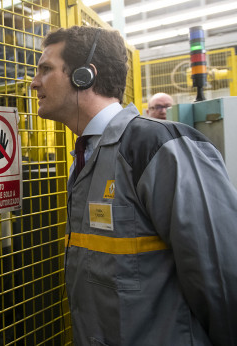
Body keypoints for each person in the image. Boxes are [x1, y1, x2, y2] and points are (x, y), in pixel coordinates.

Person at [31, 25, 237, 345]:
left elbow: (223, 279)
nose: (34, 82)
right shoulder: (86, 156)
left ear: (85, 75)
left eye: (45, 69)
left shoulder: (157, 148)